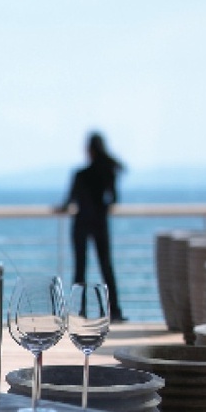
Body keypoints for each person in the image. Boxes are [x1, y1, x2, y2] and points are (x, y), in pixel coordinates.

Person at [55, 131, 127, 322]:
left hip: (81, 224)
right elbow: (114, 199)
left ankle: (80, 312)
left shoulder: (80, 174)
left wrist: (62, 208)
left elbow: (69, 201)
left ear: (89, 149)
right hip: (100, 223)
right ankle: (116, 311)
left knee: (80, 268)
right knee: (106, 267)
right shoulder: (108, 171)